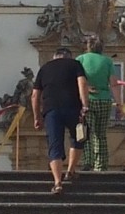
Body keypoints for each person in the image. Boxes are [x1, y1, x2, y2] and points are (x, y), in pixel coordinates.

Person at [29, 43, 90, 195]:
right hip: (73, 107)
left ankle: (57, 183)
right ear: (69, 56)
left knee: (54, 145)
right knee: (79, 137)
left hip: (51, 110)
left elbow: (35, 95)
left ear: (54, 57)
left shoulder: (44, 68)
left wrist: (37, 117)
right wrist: (85, 105)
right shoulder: (75, 64)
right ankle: (70, 170)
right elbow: (82, 83)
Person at [76, 33, 116, 171]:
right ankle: (101, 164)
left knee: (86, 131)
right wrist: (119, 103)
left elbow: (76, 80)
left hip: (86, 100)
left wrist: (86, 88)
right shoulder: (108, 61)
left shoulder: (80, 59)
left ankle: (88, 161)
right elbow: (114, 83)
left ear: (88, 46)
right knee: (100, 134)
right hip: (104, 99)